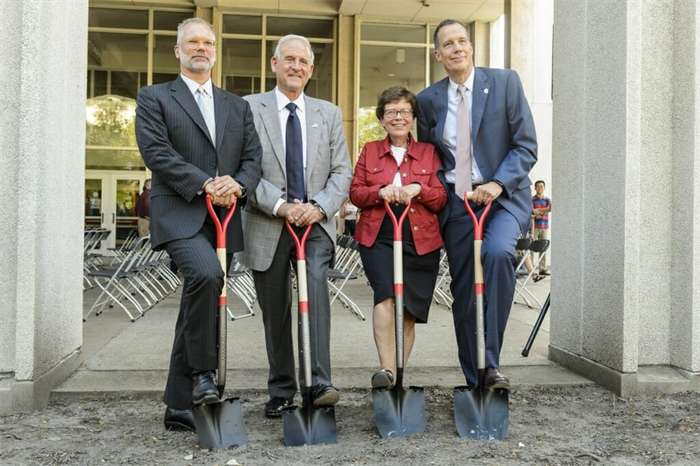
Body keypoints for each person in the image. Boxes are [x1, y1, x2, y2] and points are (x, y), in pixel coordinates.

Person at [135, 18, 262, 432]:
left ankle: (178, 405)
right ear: (178, 50)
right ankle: (204, 375)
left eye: (208, 42)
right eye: (193, 42)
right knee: (208, 276)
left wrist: (237, 184)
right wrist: (205, 182)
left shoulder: (236, 105)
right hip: (180, 213)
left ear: (215, 51)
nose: (201, 48)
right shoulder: (155, 97)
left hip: (223, 217)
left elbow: (252, 160)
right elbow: (157, 152)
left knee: (198, 297)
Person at [416, 19, 537, 391]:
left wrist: (498, 184)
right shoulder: (428, 100)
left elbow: (526, 145)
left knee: (499, 255)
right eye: (448, 44)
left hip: (503, 199)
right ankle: (474, 378)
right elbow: (429, 156)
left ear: (470, 47)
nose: (457, 48)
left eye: (462, 41)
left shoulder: (504, 83)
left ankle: (492, 365)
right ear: (439, 55)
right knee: (465, 288)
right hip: (459, 205)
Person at [239, 34, 352, 417]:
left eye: (303, 61)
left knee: (315, 295)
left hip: (315, 227)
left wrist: (318, 207)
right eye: (288, 59)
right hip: (266, 224)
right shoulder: (248, 108)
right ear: (274, 64)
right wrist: (283, 206)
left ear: (311, 70)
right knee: (275, 310)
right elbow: (244, 169)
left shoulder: (329, 113)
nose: (296, 66)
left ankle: (319, 382)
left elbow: (342, 172)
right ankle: (282, 388)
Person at [350, 86, 447, 388]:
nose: (398, 117)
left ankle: (398, 375)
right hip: (379, 235)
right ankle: (386, 371)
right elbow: (355, 193)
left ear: (412, 117)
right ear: (381, 119)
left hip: (420, 238)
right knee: (386, 297)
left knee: (408, 312)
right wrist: (380, 192)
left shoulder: (429, 153)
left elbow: (441, 199)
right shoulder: (369, 151)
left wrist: (419, 187)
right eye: (391, 111)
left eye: (404, 111)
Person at [532, 180, 551, 275]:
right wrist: (543, 211)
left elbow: (550, 209)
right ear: (535, 188)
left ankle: (542, 268)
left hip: (544, 226)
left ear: (544, 188)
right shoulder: (531, 200)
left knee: (543, 247)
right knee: (531, 247)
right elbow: (530, 211)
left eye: (541, 186)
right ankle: (530, 269)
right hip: (534, 227)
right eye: (538, 186)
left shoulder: (547, 200)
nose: (540, 188)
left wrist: (537, 211)